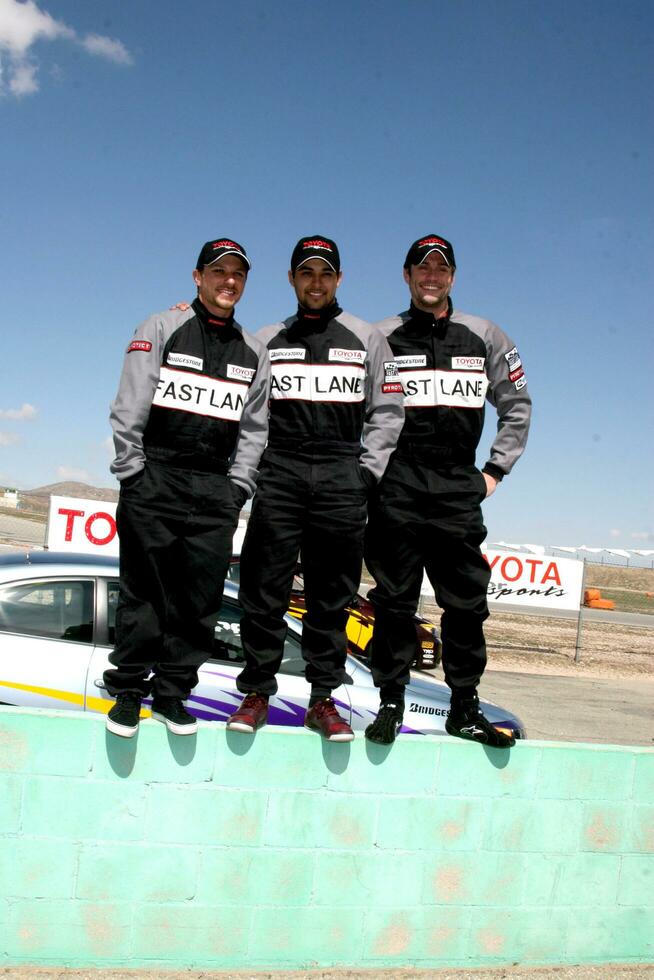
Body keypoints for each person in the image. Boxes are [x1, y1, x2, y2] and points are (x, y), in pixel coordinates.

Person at [227, 235, 404, 741]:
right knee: (264, 591)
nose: (316, 282)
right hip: (279, 473)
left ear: (339, 280)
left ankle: (322, 699)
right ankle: (257, 692)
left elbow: (389, 412)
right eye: (307, 273)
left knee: (332, 596)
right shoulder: (265, 339)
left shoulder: (367, 338)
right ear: (292, 280)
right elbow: (240, 398)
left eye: (325, 273)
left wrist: (364, 474)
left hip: (341, 477)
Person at [364, 233, 532, 747]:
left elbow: (517, 405)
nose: (431, 275)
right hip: (398, 483)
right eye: (422, 267)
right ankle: (389, 702)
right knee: (394, 602)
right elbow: (345, 396)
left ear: (452, 277)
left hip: (459, 483)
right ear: (407, 276)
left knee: (465, 604)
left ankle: (464, 707)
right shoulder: (380, 336)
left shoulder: (486, 335)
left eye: (441, 268)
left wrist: (495, 471)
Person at [104, 238, 270, 738]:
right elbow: (129, 403)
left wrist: (238, 486)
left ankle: (173, 695)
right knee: (145, 594)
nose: (229, 281)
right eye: (219, 272)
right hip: (154, 477)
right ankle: (130, 691)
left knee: (199, 599)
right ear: (198, 277)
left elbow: (256, 428)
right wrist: (133, 470)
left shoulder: (252, 349)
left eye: (237, 274)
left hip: (215, 489)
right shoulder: (160, 326)